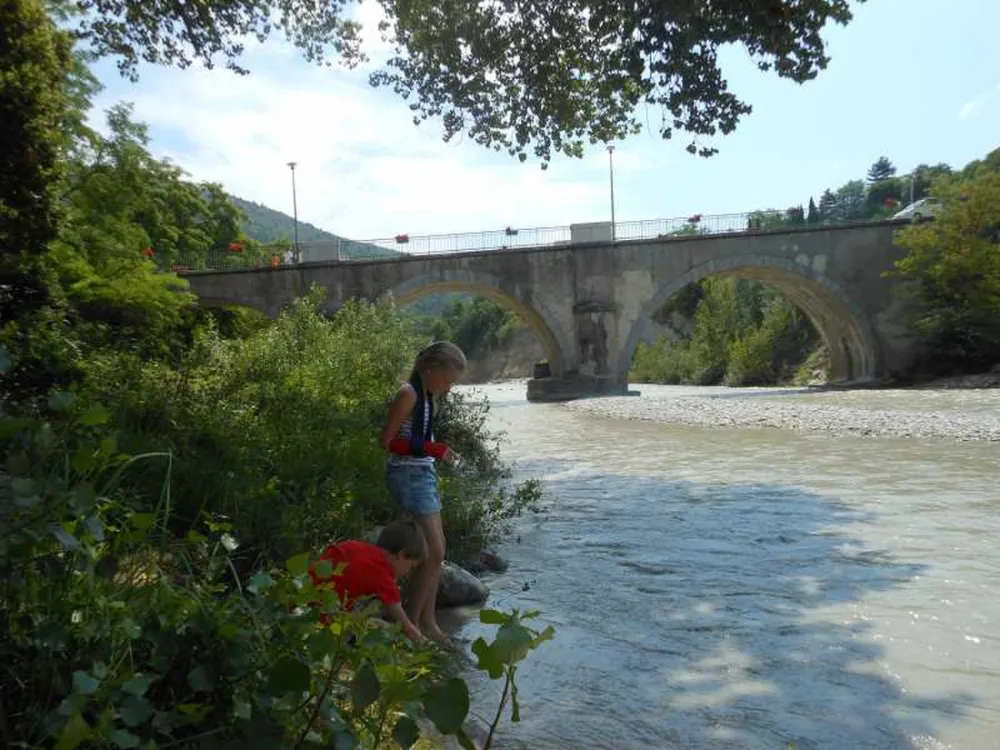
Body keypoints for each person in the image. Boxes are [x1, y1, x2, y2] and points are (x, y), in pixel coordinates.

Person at [380, 341, 467, 645]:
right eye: (447, 380)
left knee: (435, 553)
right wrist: (431, 448)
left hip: (422, 473)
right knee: (434, 552)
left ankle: (427, 621)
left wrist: (434, 451)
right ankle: (414, 623)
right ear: (430, 370)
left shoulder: (427, 396)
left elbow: (416, 440)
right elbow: (387, 441)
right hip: (407, 475)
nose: (448, 388)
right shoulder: (409, 394)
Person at [309, 519, 429, 643]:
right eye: (411, 567)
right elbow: (406, 627)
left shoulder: (354, 546)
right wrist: (426, 644)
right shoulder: (382, 574)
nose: (408, 574)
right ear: (402, 554)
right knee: (382, 626)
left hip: (302, 600)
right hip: (322, 622)